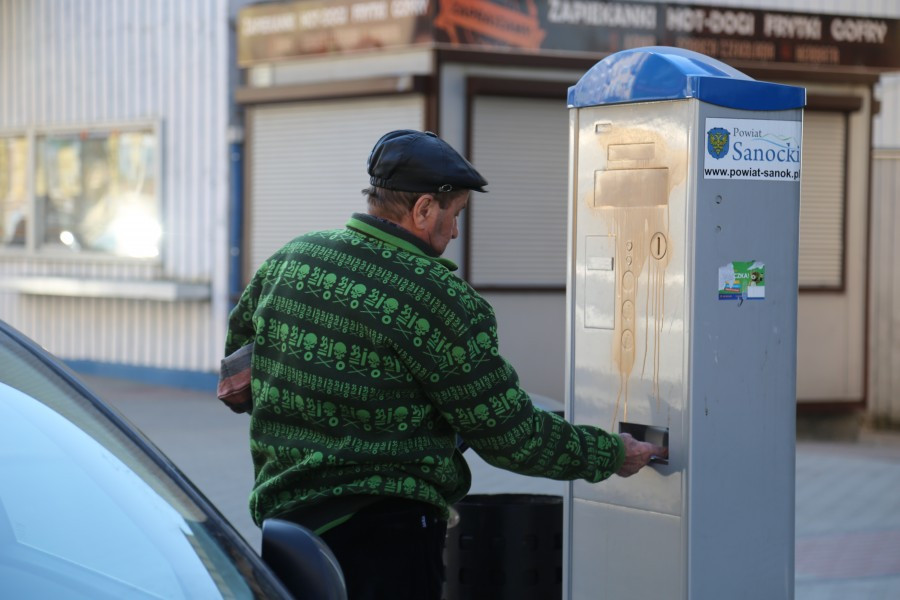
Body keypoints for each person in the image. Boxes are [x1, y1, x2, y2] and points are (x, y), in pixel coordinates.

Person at [223, 129, 667, 599]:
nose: (455, 232)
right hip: (385, 538)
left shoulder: (290, 261)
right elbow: (510, 436)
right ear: (422, 209)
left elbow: (237, 385)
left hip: (287, 530)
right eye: (454, 216)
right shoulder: (436, 297)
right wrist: (612, 454)